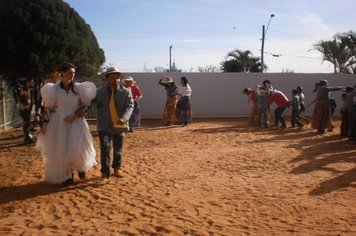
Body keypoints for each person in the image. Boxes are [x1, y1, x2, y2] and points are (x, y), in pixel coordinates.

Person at [36, 63, 97, 186]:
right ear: (62, 73)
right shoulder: (53, 89)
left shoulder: (79, 88)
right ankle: (69, 176)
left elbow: (88, 104)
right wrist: (44, 124)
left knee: (79, 147)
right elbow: (49, 108)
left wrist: (76, 115)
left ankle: (80, 168)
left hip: (77, 121)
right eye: (69, 72)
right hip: (60, 123)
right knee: (63, 149)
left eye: (73, 73)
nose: (72, 75)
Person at [93, 66, 134, 182]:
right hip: (104, 125)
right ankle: (105, 173)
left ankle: (117, 168)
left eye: (117, 77)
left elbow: (130, 106)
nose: (115, 80)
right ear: (107, 78)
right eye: (112, 77)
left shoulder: (126, 92)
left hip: (119, 125)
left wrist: (125, 118)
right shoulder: (99, 92)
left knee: (118, 149)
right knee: (105, 149)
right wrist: (81, 111)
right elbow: (90, 103)